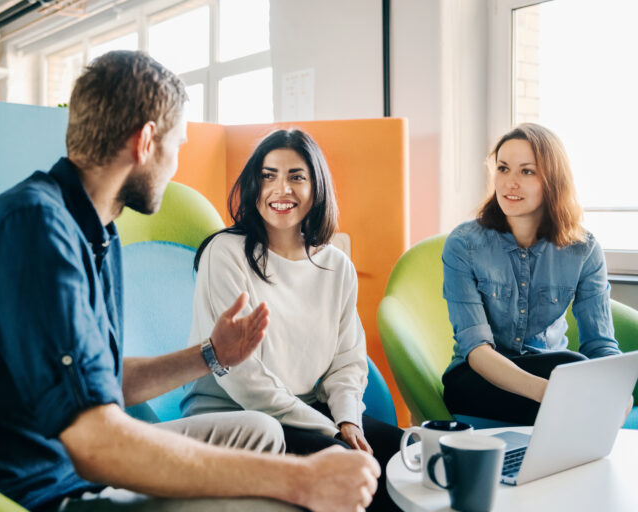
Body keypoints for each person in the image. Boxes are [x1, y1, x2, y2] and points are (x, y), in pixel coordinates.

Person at [0, 51, 380, 512]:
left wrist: (210, 355)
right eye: (176, 146)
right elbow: (95, 443)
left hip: (71, 460)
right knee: (280, 502)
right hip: (36, 488)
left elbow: (100, 383)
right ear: (145, 141)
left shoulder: (97, 233)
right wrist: (300, 481)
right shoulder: (34, 230)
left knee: (258, 432)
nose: (176, 163)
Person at [181, 129, 403, 511]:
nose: (280, 189)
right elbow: (242, 377)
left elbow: (347, 360)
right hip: (236, 415)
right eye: (268, 176)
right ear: (253, 185)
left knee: (405, 455)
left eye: (296, 177)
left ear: (317, 188)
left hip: (304, 411)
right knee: (354, 472)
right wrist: (330, 430)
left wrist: (348, 419)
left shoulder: (336, 266)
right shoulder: (226, 253)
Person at [441, 123, 626, 426]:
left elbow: (599, 344)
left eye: (526, 171)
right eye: (503, 169)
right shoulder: (464, 244)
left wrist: (616, 389)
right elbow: (476, 349)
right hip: (478, 378)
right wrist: (550, 393)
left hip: (553, 370)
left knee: (573, 369)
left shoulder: (584, 249)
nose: (509, 183)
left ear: (553, 180)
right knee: (571, 373)